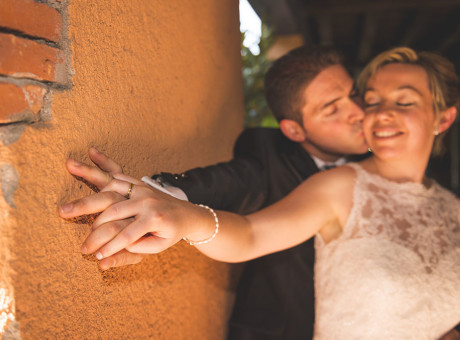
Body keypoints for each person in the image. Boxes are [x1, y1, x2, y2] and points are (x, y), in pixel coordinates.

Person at [60, 47, 460, 339]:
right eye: (335, 107)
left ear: (443, 117)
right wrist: (161, 200)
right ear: (295, 130)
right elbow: (242, 216)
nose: (366, 113)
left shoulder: (451, 207)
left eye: (357, 96)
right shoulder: (306, 174)